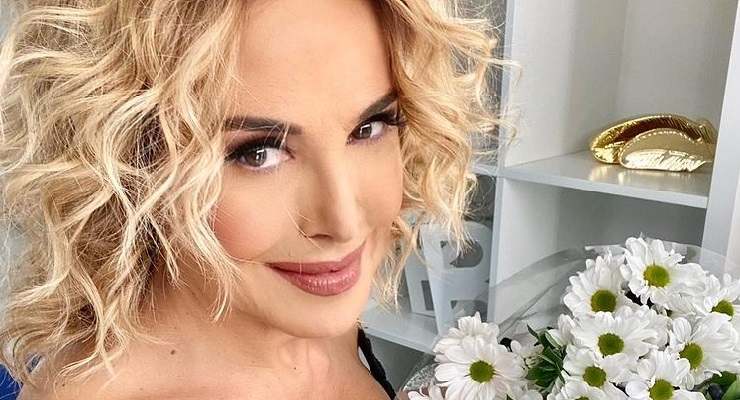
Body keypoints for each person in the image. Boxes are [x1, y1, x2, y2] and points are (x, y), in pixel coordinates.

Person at [0, 0, 505, 398]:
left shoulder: (308, 311)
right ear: (131, 165)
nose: (344, 223)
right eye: (258, 153)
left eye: (369, 127)